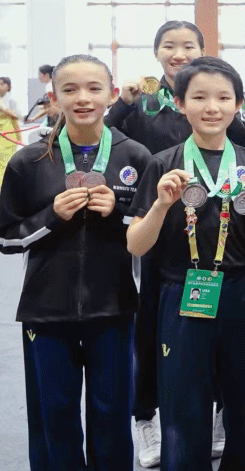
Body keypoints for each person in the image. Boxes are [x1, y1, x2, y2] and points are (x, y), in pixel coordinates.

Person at [0, 55, 153, 470]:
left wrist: (118, 212)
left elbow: (151, 231)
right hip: (46, 310)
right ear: (54, 97)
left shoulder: (136, 157)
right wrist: (50, 216)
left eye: (93, 88)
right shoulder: (29, 161)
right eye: (69, 89)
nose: (82, 98)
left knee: (112, 413)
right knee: (55, 414)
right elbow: (5, 237)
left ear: (112, 94)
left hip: (114, 307)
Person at [127, 57, 245, 471]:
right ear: (179, 103)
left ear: (238, 105)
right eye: (199, 97)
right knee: (183, 402)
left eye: (223, 98)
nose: (212, 107)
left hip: (240, 289)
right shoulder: (163, 163)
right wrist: (161, 205)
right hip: (181, 290)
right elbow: (136, 245)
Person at [106, 20, 245, 155]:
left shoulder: (218, 101)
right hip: (154, 175)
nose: (178, 55)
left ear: (202, 52)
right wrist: (123, 104)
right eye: (169, 47)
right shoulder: (141, 101)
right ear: (156, 53)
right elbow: (102, 141)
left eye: (188, 47)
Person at [0, 76, 21, 182]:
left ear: (8, 86)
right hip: (1, 132)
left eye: (1, 84)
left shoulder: (12, 100)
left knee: (5, 162)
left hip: (8, 134)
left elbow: (17, 117)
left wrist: (3, 110)